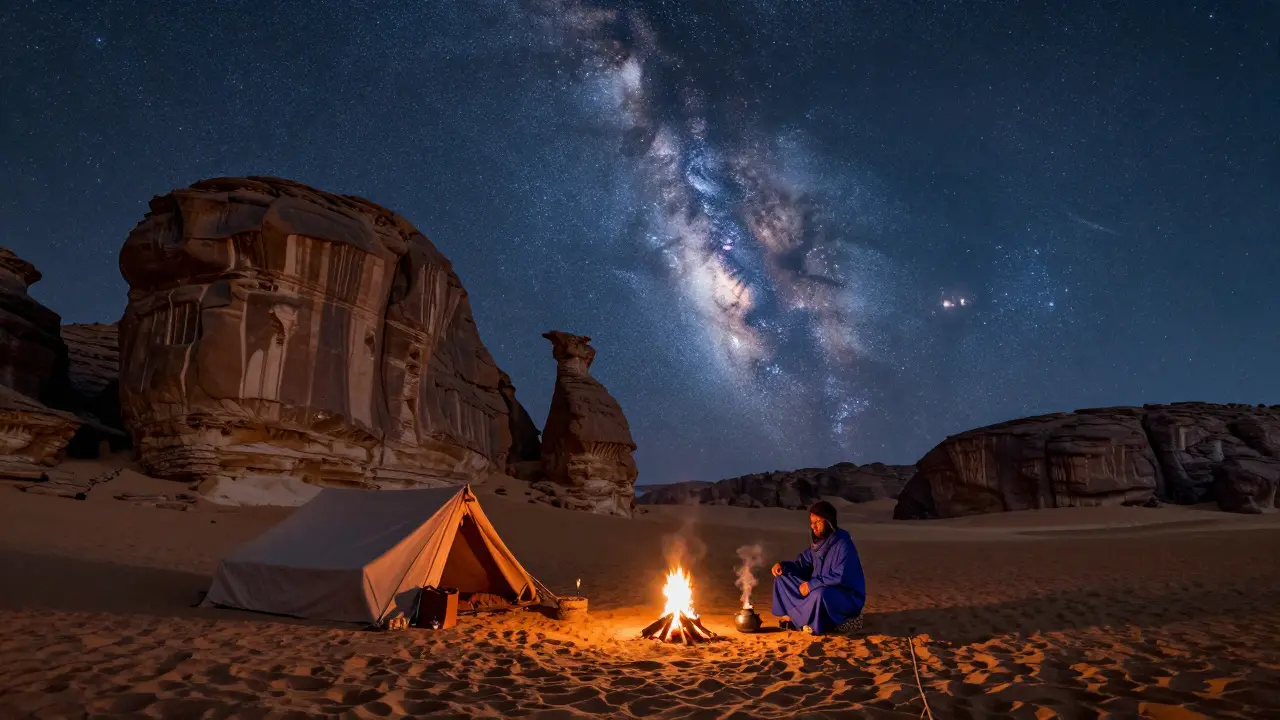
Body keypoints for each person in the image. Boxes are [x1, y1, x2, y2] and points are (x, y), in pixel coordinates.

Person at [771, 500, 866, 635]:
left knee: (820, 594)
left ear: (829, 522)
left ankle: (808, 622)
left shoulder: (844, 545)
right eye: (812, 522)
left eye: (818, 522)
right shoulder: (817, 545)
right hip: (816, 589)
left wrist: (811, 585)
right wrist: (783, 566)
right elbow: (802, 565)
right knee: (782, 578)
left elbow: (841, 576)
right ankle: (795, 616)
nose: (813, 526)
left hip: (844, 597)